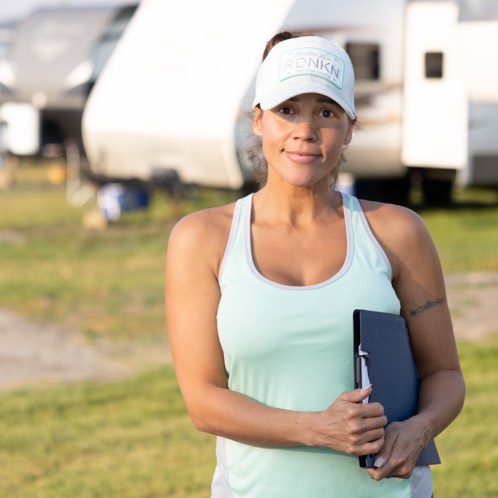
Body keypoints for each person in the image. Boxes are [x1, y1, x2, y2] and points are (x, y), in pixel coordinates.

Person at [165, 31, 465, 498]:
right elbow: (203, 402)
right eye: (288, 110)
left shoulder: (397, 232)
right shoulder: (203, 239)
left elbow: (444, 374)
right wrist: (318, 428)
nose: (305, 130)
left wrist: (419, 430)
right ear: (259, 120)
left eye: (325, 112)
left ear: (349, 127)